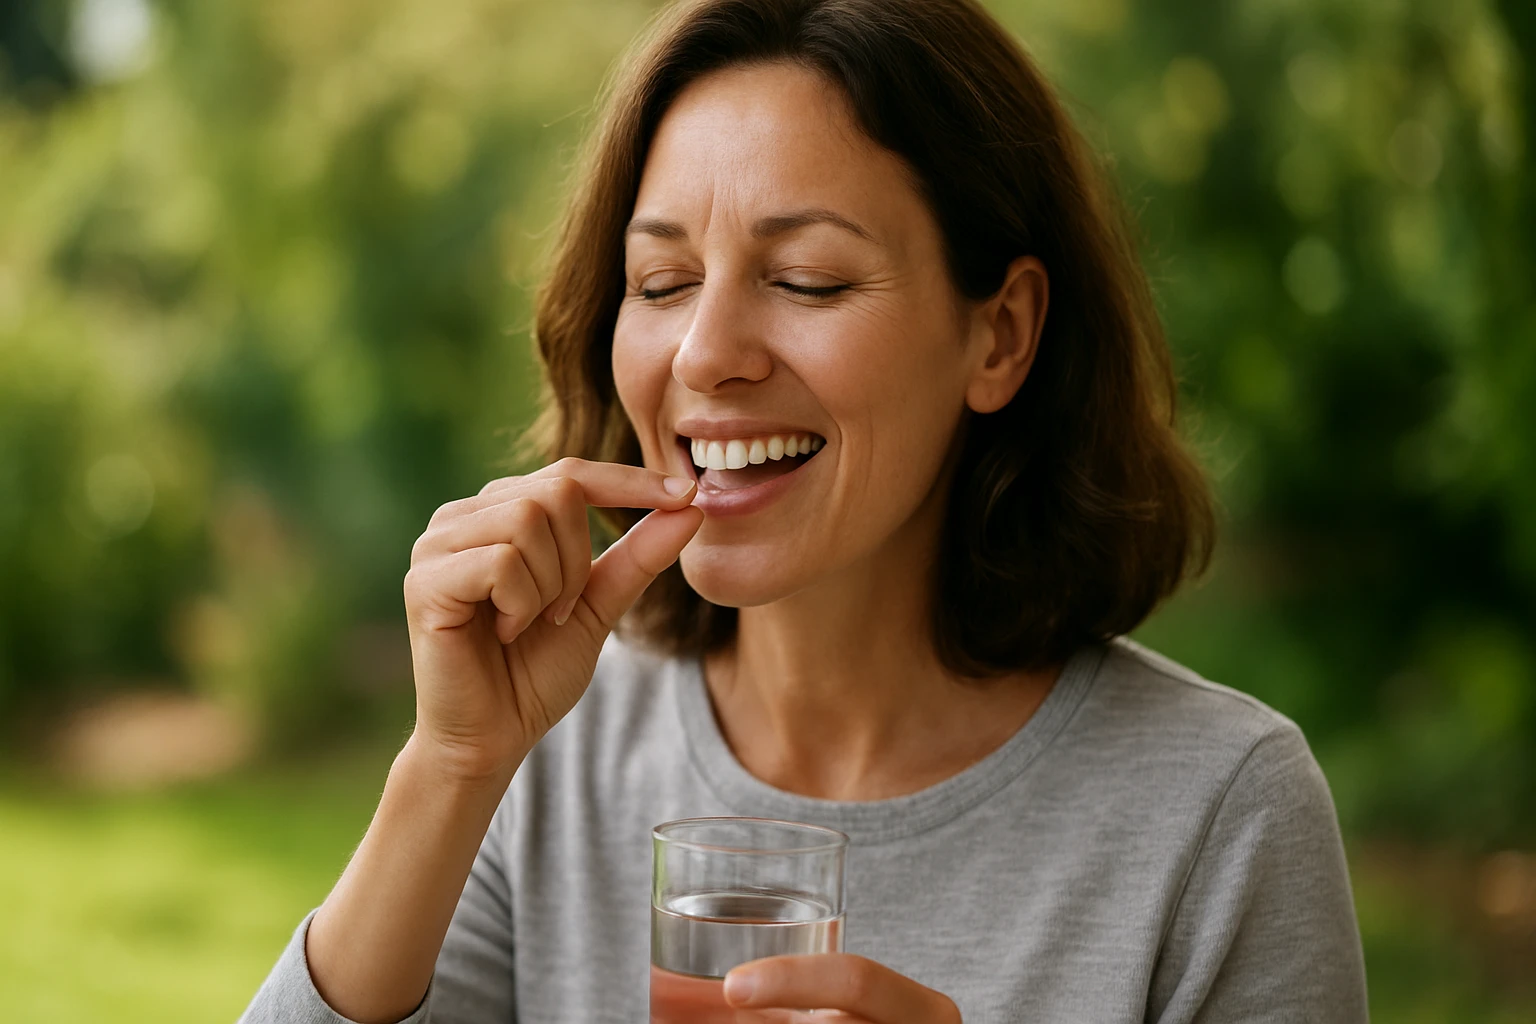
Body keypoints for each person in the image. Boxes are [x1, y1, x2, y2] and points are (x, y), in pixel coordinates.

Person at [240, 0, 1369, 1021]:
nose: (705, 353)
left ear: (1001, 335)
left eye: (807, 280)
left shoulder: (1223, 813)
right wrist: (449, 765)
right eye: (663, 283)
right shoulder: (548, 749)